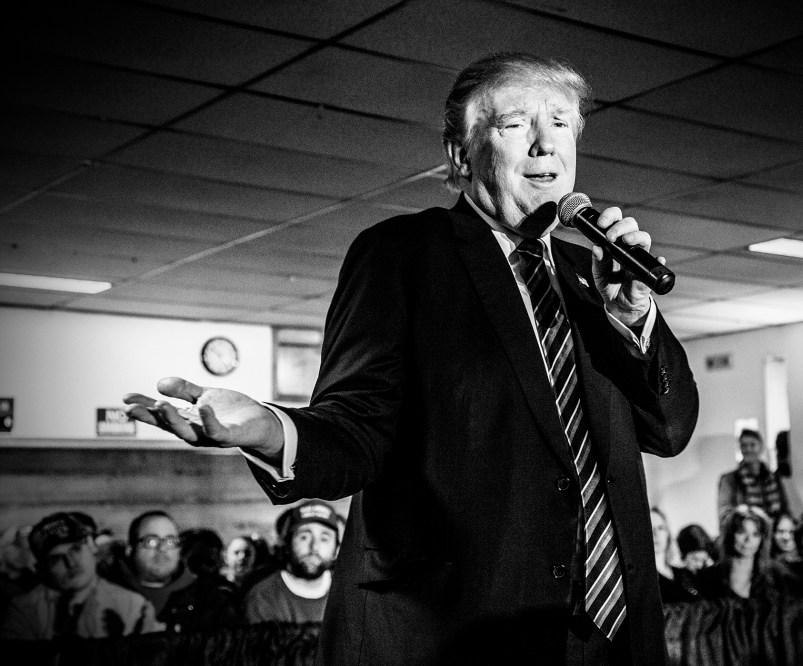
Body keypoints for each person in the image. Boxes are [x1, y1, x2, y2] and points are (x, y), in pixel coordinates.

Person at [123, 52, 698, 666]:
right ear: (459, 155)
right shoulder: (402, 256)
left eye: (561, 123)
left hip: (609, 640)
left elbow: (668, 430)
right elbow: (357, 426)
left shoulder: (595, 279)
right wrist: (270, 429)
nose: (543, 145)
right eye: (513, 125)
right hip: (456, 636)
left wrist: (633, 320)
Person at [1, 512, 160, 640]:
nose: (71, 563)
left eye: (76, 549)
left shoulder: (134, 607)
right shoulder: (25, 612)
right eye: (56, 559)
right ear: (42, 568)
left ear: (91, 546)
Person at [101, 510, 238, 632]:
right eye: (151, 541)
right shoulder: (100, 596)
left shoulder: (209, 600)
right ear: (130, 549)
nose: (162, 549)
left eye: (170, 541)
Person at [243, 499, 340, 623]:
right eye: (304, 537)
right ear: (288, 543)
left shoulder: (352, 595)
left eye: (324, 539)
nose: (314, 547)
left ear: (336, 550)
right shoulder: (262, 599)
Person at [696, 505, 783, 600]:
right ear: (730, 535)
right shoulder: (709, 577)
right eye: (741, 532)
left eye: (755, 534)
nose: (748, 540)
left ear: (762, 539)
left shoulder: (775, 576)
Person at [717, 429, 788, 527]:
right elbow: (725, 515)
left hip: (773, 533)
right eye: (744, 446)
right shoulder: (730, 479)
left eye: (752, 445)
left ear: (761, 447)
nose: (748, 449)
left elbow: (784, 509)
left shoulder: (774, 478)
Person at [649, 508, 699, 604]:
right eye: (649, 528)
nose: (656, 533)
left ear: (667, 533)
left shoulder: (684, 574)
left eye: (660, 528)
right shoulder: (645, 580)